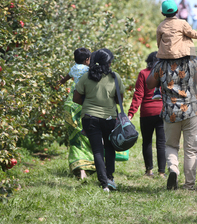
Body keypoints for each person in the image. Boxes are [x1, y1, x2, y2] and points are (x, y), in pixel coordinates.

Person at [146, 54, 197, 190]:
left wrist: (158, 63)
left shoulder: (161, 65)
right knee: (191, 150)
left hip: (170, 112)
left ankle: (173, 169)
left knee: (171, 145)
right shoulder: (193, 62)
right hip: (191, 111)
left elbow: (149, 84)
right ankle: (189, 184)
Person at [73, 48, 125, 192]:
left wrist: (89, 106)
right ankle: (110, 178)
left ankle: (103, 184)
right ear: (108, 63)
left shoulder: (85, 77)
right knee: (109, 147)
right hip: (109, 118)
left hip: (90, 118)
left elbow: (76, 98)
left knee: (97, 149)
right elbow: (119, 98)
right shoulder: (115, 77)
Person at [127, 52, 166, 178]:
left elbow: (138, 95)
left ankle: (149, 171)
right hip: (162, 112)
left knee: (147, 142)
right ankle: (161, 172)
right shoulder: (164, 73)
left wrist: (131, 113)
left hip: (147, 113)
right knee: (161, 143)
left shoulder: (143, 73)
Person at [60, 48, 93, 180]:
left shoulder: (74, 68)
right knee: (87, 135)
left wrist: (61, 81)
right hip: (81, 103)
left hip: (70, 104)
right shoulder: (88, 70)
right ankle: (87, 166)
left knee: (75, 138)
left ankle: (80, 167)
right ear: (87, 60)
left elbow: (66, 78)